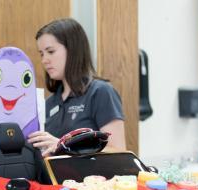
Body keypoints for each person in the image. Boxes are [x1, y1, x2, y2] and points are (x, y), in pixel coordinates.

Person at [27, 18, 126, 156]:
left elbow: (118, 151)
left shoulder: (100, 92)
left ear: (72, 49)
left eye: (50, 51)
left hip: (90, 177)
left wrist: (63, 145)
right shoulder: (49, 103)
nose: (44, 60)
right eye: (42, 54)